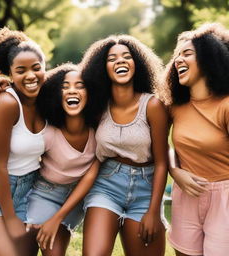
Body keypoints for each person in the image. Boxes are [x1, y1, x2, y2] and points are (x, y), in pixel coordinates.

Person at [80, 34, 169, 256]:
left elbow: (161, 162)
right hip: (107, 184)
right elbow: (59, 87)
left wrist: (154, 211)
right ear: (103, 68)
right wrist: (5, 82)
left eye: (126, 56)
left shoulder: (153, 106)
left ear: (136, 64)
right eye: (112, 58)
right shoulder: (97, 105)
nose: (120, 61)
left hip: (146, 188)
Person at [0, 27, 46, 256]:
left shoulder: (52, 92)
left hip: (28, 188)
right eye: (21, 71)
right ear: (10, 75)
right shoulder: (6, 103)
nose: (31, 76)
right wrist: (10, 217)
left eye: (36, 68)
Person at [166, 23, 229, 256]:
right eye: (177, 56)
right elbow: (161, 143)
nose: (178, 61)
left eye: (187, 54)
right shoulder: (174, 106)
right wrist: (175, 170)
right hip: (187, 195)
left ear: (209, 57)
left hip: (225, 199)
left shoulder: (225, 105)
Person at [26, 63, 99, 256]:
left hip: (76, 200)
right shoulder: (48, 132)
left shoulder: (98, 129)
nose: (72, 91)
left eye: (79, 86)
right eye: (64, 86)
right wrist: (4, 84)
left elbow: (90, 177)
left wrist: (57, 218)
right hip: (44, 194)